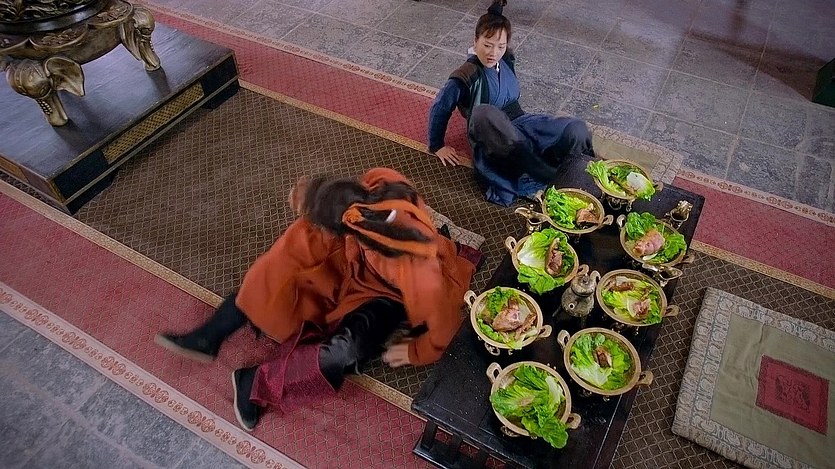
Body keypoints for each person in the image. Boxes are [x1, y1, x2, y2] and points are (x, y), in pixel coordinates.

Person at [155, 168, 481, 431]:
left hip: (388, 293)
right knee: (282, 266)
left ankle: (254, 382)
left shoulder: (416, 270)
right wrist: (313, 198)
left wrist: (414, 350)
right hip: (355, 259)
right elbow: (307, 235)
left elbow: (443, 327)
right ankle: (210, 336)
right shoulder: (378, 183)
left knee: (347, 351)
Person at [427, 0, 596, 206]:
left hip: (522, 121)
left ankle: (579, 170)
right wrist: (437, 145)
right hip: (492, 134)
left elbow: (497, 20)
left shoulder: (504, 59)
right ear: (475, 41)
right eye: (487, 45)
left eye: (500, 46)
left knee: (574, 129)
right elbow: (440, 107)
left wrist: (497, 10)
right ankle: (540, 173)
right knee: (484, 113)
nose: (493, 53)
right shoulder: (464, 76)